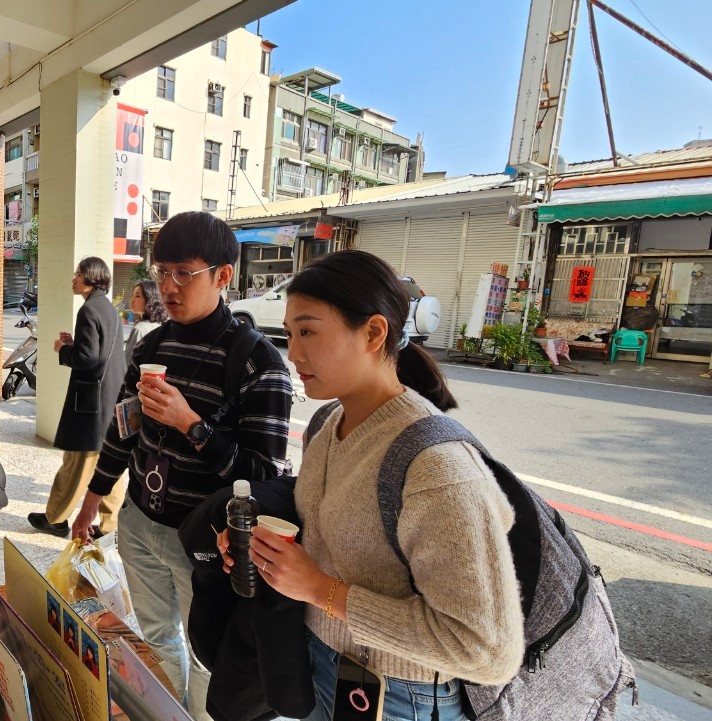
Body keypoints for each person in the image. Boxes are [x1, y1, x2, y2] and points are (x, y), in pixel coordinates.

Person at [224, 250, 522, 721]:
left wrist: (319, 589)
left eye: (308, 331)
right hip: (323, 666)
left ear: (374, 332)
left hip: (401, 698)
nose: (293, 353)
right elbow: (337, 537)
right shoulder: (328, 424)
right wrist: (265, 549)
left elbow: (485, 649)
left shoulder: (437, 467)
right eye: (290, 333)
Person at [69, 212, 293, 721]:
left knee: (208, 655)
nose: (168, 287)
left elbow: (263, 478)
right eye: (161, 272)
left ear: (223, 275)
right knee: (155, 640)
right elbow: (123, 432)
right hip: (139, 524)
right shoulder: (152, 345)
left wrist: (192, 425)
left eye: (184, 273)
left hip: (206, 542)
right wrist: (91, 501)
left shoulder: (257, 363)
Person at [28, 257, 127, 539]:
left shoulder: (88, 310)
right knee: (107, 463)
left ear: (91, 278)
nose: (74, 279)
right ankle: (110, 524)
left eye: (78, 274)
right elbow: (99, 352)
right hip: (108, 398)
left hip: (90, 402)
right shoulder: (108, 308)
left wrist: (63, 349)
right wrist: (75, 344)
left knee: (77, 463)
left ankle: (55, 519)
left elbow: (88, 358)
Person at [125, 279, 167, 360]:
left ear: (149, 299)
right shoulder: (161, 325)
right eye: (132, 295)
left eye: (137, 296)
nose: (132, 300)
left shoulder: (140, 329)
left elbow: (128, 360)